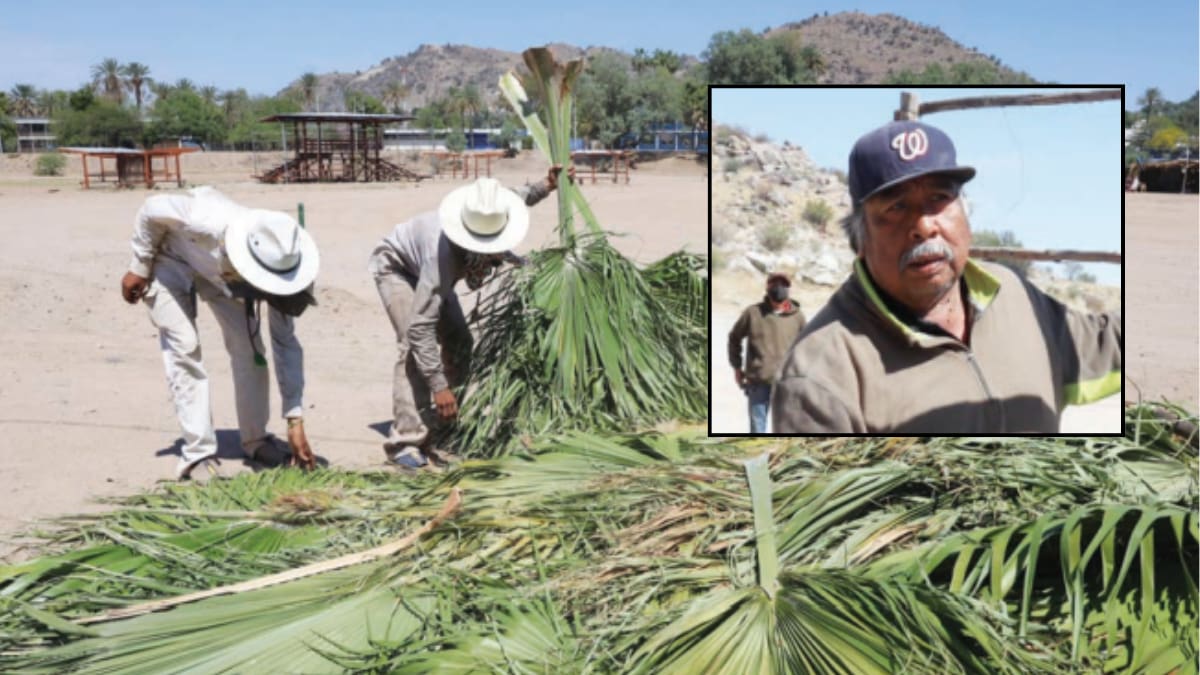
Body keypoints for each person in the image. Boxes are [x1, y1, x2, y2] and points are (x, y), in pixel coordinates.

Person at [773, 120, 1122, 433]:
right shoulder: (821, 375)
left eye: (939, 199)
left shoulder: (1012, 293)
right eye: (895, 208)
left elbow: (1102, 348)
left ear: (964, 212)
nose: (924, 226)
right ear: (859, 239)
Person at [369, 167, 571, 468]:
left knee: (460, 340)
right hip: (399, 269)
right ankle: (406, 441)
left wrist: (547, 185)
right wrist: (439, 385)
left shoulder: (490, 208)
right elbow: (420, 328)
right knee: (411, 347)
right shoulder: (442, 259)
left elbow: (519, 197)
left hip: (435, 275)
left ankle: (446, 424)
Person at [120, 187, 319, 480]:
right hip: (171, 260)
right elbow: (151, 209)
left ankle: (257, 440)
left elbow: (285, 342)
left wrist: (294, 417)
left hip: (223, 277)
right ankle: (197, 453)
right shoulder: (203, 219)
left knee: (250, 351)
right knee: (185, 348)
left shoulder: (289, 270)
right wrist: (140, 265)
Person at [726, 273, 806, 433]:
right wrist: (737, 367)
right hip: (758, 381)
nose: (778, 288)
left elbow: (807, 346)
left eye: (782, 284)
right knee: (757, 428)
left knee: (787, 428)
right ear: (767, 287)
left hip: (787, 382)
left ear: (788, 289)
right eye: (774, 284)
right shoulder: (753, 313)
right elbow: (734, 338)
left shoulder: (797, 317)